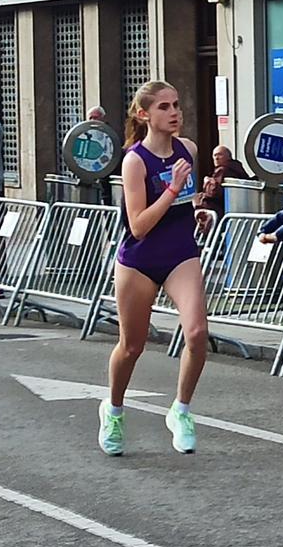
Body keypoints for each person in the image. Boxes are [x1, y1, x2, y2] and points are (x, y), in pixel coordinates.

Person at [99, 82, 211, 457]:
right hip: (141, 259)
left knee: (196, 333)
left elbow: (185, 198)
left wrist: (197, 208)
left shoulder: (189, 149)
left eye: (177, 105)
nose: (174, 112)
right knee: (132, 346)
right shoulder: (135, 160)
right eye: (164, 107)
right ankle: (113, 409)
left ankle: (181, 409)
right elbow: (139, 225)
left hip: (181, 252)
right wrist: (172, 189)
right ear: (144, 114)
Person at [198, 141, 252, 217]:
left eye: (219, 155)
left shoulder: (223, 170)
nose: (216, 158)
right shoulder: (237, 168)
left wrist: (207, 181)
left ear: (228, 156)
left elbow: (214, 192)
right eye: (214, 155)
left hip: (221, 211)